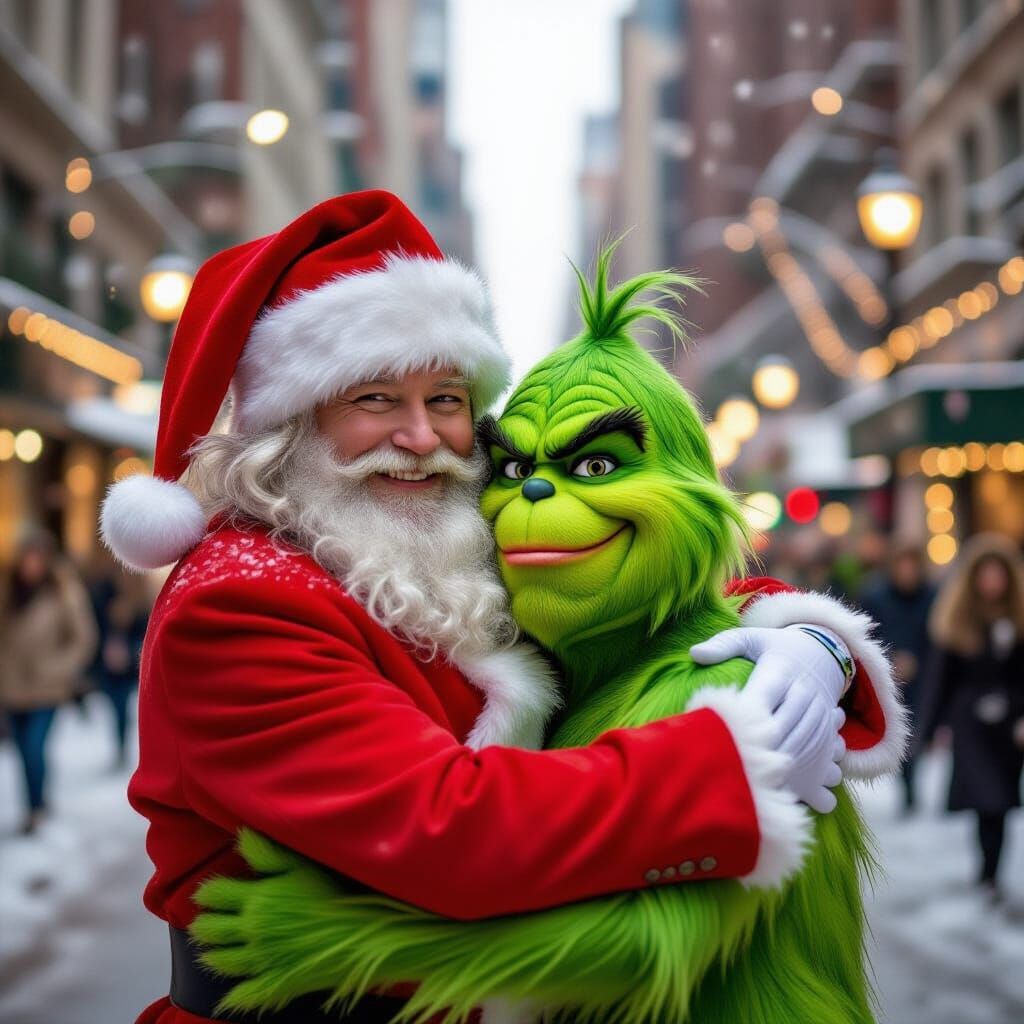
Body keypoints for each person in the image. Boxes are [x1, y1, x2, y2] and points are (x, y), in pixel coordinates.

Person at [99, 191, 904, 1024]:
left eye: (446, 398)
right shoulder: (237, 604)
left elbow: (626, 598)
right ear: (291, 420)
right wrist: (733, 769)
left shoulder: (415, 544)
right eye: (374, 398)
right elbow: (449, 830)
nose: (421, 437)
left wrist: (806, 641)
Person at [920, 533, 1024, 899]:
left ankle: (991, 872)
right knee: (986, 798)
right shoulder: (958, 621)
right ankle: (988, 873)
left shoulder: (1017, 619)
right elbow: (940, 682)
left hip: (1010, 727)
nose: (992, 581)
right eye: (986, 573)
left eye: (999, 573)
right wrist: (929, 730)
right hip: (970, 725)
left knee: (1002, 803)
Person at [0, 529, 97, 834]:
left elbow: (83, 637)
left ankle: (36, 808)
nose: (31, 564)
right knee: (21, 752)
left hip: (47, 687)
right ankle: (36, 801)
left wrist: (57, 668)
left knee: (34, 747)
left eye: (36, 557)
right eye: (26, 557)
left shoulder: (63, 589)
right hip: (12, 686)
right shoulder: (7, 590)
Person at [861, 540, 935, 810]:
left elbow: (937, 637)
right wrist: (890, 660)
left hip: (925, 675)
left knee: (918, 727)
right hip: (887, 675)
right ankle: (907, 782)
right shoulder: (876, 596)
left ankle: (912, 782)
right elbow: (867, 634)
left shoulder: (932, 596)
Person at [87, 558, 151, 769]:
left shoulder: (141, 599)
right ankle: (119, 745)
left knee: (123, 707)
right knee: (115, 707)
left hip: (129, 665)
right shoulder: (102, 594)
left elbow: (147, 633)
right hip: (107, 665)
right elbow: (94, 628)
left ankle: (122, 747)